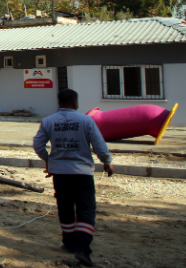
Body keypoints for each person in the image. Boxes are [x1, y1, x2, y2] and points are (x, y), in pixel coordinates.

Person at [33, 88, 114, 267]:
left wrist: (50, 160)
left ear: (58, 102)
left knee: (66, 207)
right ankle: (82, 249)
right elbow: (99, 145)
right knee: (86, 209)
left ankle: (69, 243)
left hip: (60, 174)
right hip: (82, 173)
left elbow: (38, 145)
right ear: (75, 103)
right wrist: (107, 161)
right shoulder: (86, 121)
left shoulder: (48, 121)